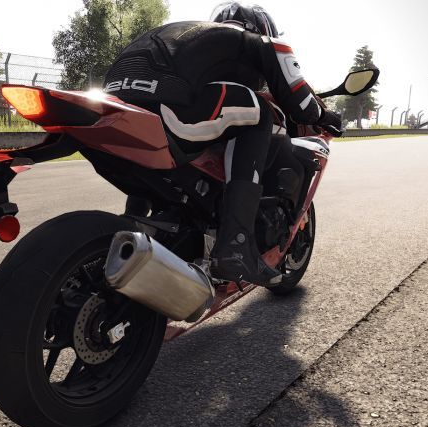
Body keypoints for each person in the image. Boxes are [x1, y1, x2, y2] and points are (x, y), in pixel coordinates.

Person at [103, 2, 341, 286]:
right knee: (259, 114)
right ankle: (236, 245)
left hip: (115, 106)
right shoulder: (263, 43)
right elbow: (299, 101)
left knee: (151, 168)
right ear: (264, 29)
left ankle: (135, 222)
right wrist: (327, 116)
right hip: (168, 108)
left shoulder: (192, 37)